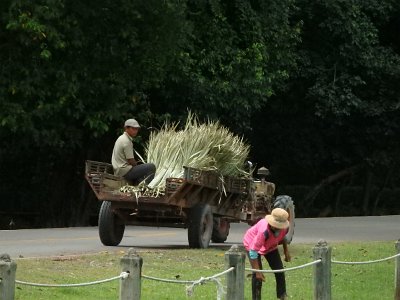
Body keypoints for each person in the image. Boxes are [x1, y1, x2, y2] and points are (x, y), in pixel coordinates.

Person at [243, 208, 291, 300]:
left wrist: (286, 252)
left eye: (280, 227)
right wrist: (257, 272)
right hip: (252, 243)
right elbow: (253, 252)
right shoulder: (264, 232)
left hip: (270, 245)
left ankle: (282, 296)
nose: (277, 228)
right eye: (276, 226)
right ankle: (256, 298)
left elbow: (283, 238)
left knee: (279, 270)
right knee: (258, 276)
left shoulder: (285, 228)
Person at [111, 118, 156, 185]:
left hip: (118, 170)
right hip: (124, 171)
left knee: (142, 169)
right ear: (126, 128)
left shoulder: (121, 138)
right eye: (133, 129)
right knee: (151, 166)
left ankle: (138, 184)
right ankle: (143, 188)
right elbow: (131, 160)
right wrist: (137, 166)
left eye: (137, 129)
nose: (135, 131)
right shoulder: (127, 141)